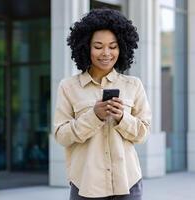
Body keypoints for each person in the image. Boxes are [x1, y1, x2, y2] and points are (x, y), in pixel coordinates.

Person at [53, 8, 152, 200]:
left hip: (127, 184)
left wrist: (122, 118)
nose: (106, 53)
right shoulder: (68, 87)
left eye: (113, 46)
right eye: (98, 46)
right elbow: (61, 136)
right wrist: (94, 116)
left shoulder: (133, 85)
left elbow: (143, 133)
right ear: (85, 47)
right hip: (86, 186)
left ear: (122, 47)